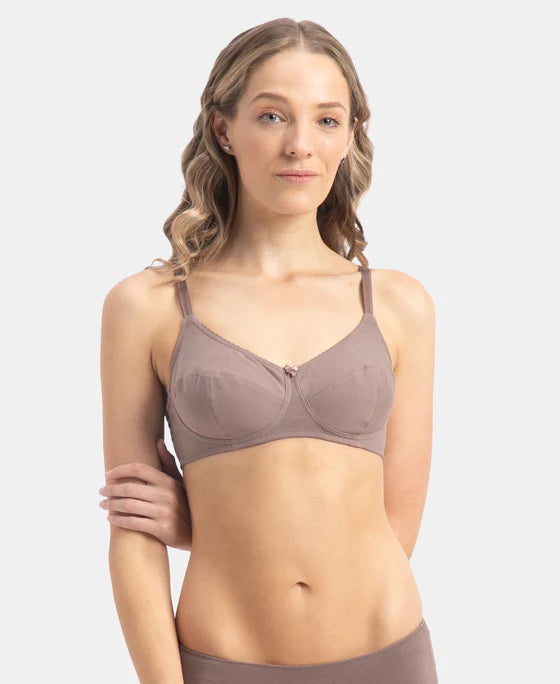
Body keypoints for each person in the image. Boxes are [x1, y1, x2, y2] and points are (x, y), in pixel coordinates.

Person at [99, 17, 438, 684]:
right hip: (222, 661)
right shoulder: (146, 307)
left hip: (389, 652)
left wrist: (208, 527)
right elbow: (132, 531)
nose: (300, 145)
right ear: (223, 128)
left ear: (350, 136)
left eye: (327, 120)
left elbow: (392, 523)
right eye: (273, 116)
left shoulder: (400, 305)